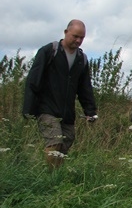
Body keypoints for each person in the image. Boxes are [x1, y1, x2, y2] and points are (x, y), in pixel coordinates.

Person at [23, 19, 98, 168]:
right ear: (65, 32)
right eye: (75, 36)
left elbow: (85, 88)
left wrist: (90, 110)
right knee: (55, 141)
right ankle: (50, 179)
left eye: (81, 38)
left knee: (66, 141)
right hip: (46, 108)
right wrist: (28, 110)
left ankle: (55, 173)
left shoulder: (81, 59)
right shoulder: (50, 51)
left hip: (67, 112)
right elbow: (33, 80)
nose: (78, 40)